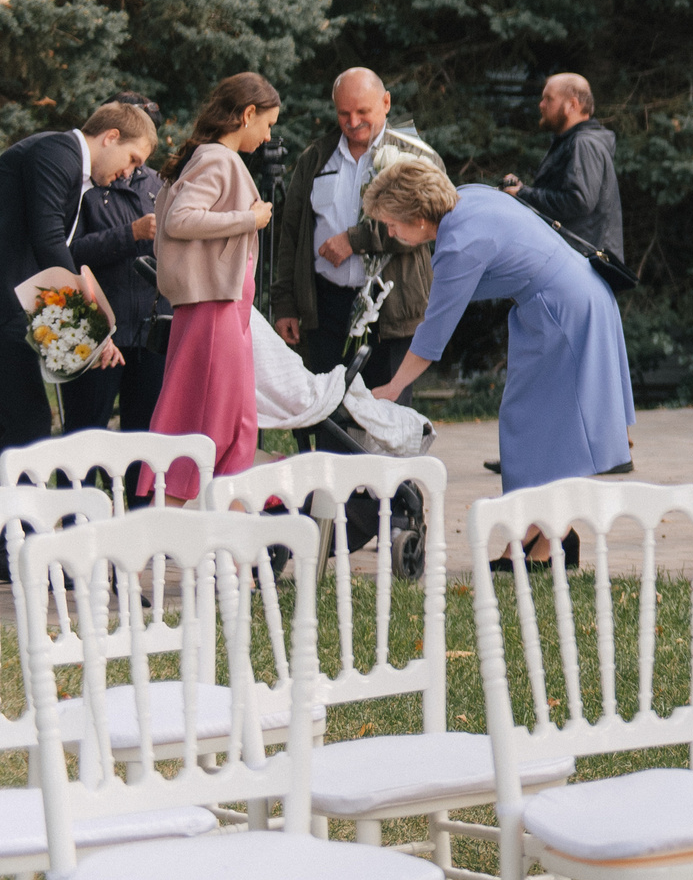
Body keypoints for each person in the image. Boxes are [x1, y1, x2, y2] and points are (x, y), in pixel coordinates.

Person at [367, 161, 636, 564]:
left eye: (390, 224)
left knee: (543, 428)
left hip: (563, 313)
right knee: (535, 425)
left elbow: (433, 333)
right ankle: (538, 533)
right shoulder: (468, 197)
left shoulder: (458, 244)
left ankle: (545, 539)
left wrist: (392, 388)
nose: (389, 233)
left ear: (419, 218)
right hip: (565, 301)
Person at [151, 74, 283, 499]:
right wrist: (251, 218)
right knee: (206, 420)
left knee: (237, 423)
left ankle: (231, 547)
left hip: (226, 308)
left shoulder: (210, 156)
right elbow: (181, 219)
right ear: (247, 115)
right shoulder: (217, 158)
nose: (267, 136)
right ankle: (160, 532)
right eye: (267, 124)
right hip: (214, 310)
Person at [272, 68, 439, 393]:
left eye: (363, 111)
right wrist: (285, 304)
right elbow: (291, 234)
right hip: (326, 308)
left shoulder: (416, 154)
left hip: (392, 310)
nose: (352, 121)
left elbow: (424, 225)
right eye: (343, 113)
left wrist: (355, 241)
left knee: (383, 425)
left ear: (386, 102)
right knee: (328, 417)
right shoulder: (316, 158)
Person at [0, 102, 156, 445]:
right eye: (132, 159)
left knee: (22, 427)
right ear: (111, 137)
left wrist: (94, 334)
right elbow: (50, 242)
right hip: (6, 310)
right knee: (28, 427)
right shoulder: (58, 152)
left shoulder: (65, 161)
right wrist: (91, 328)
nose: (129, 173)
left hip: (12, 308)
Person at [66, 94, 168, 433]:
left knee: (143, 435)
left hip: (150, 331)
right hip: (98, 328)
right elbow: (68, 253)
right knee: (84, 430)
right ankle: (76, 488)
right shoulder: (82, 182)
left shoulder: (158, 184)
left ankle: (139, 491)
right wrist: (131, 233)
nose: (132, 166)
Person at [504, 72, 624, 265]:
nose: (541, 105)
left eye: (548, 99)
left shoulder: (584, 143)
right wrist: (522, 191)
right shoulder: (572, 142)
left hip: (581, 266)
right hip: (574, 263)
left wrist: (525, 194)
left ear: (572, 105)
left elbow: (579, 201)